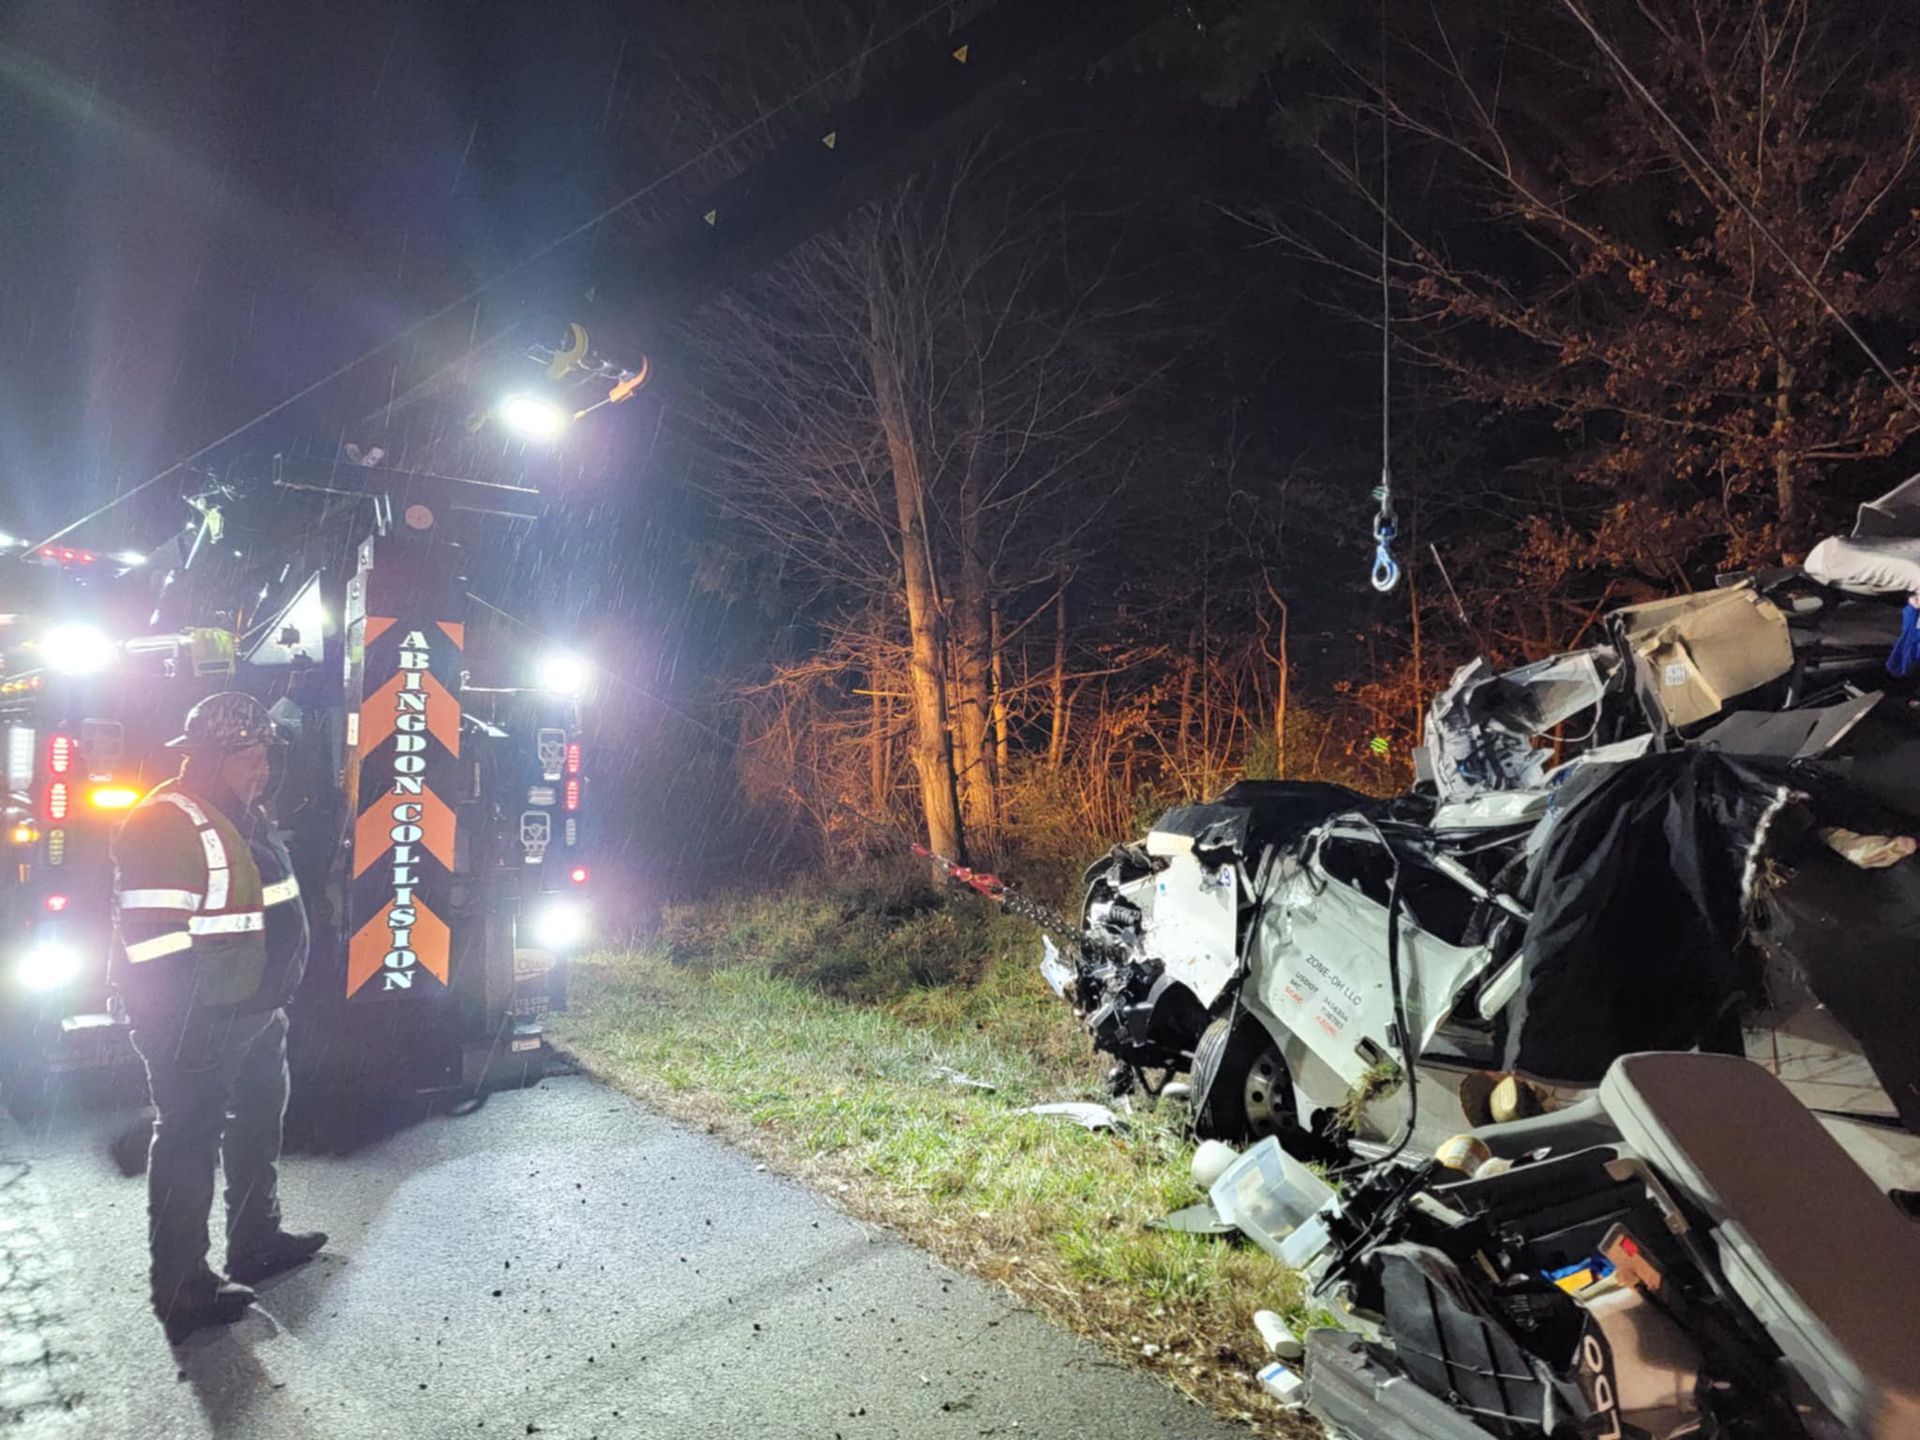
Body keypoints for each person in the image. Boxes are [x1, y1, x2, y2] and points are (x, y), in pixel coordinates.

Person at [110, 692, 328, 1345]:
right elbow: (152, 946)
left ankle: (255, 1240)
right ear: (206, 759)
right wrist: (185, 1035)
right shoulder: (164, 822)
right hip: (201, 1023)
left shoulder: (240, 813)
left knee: (259, 1120)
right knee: (188, 1139)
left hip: (255, 1012)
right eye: (246, 757)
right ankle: (182, 1285)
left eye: (265, 755)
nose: (260, 768)